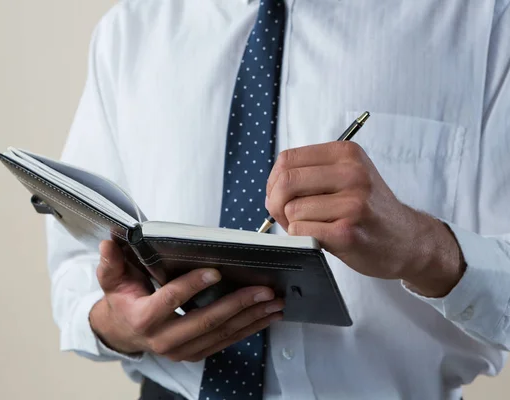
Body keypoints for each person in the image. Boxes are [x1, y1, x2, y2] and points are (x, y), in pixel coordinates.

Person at [46, 1, 510, 399]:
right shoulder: (130, 30)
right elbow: (76, 263)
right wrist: (115, 324)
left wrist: (425, 248)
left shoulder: (484, 23)